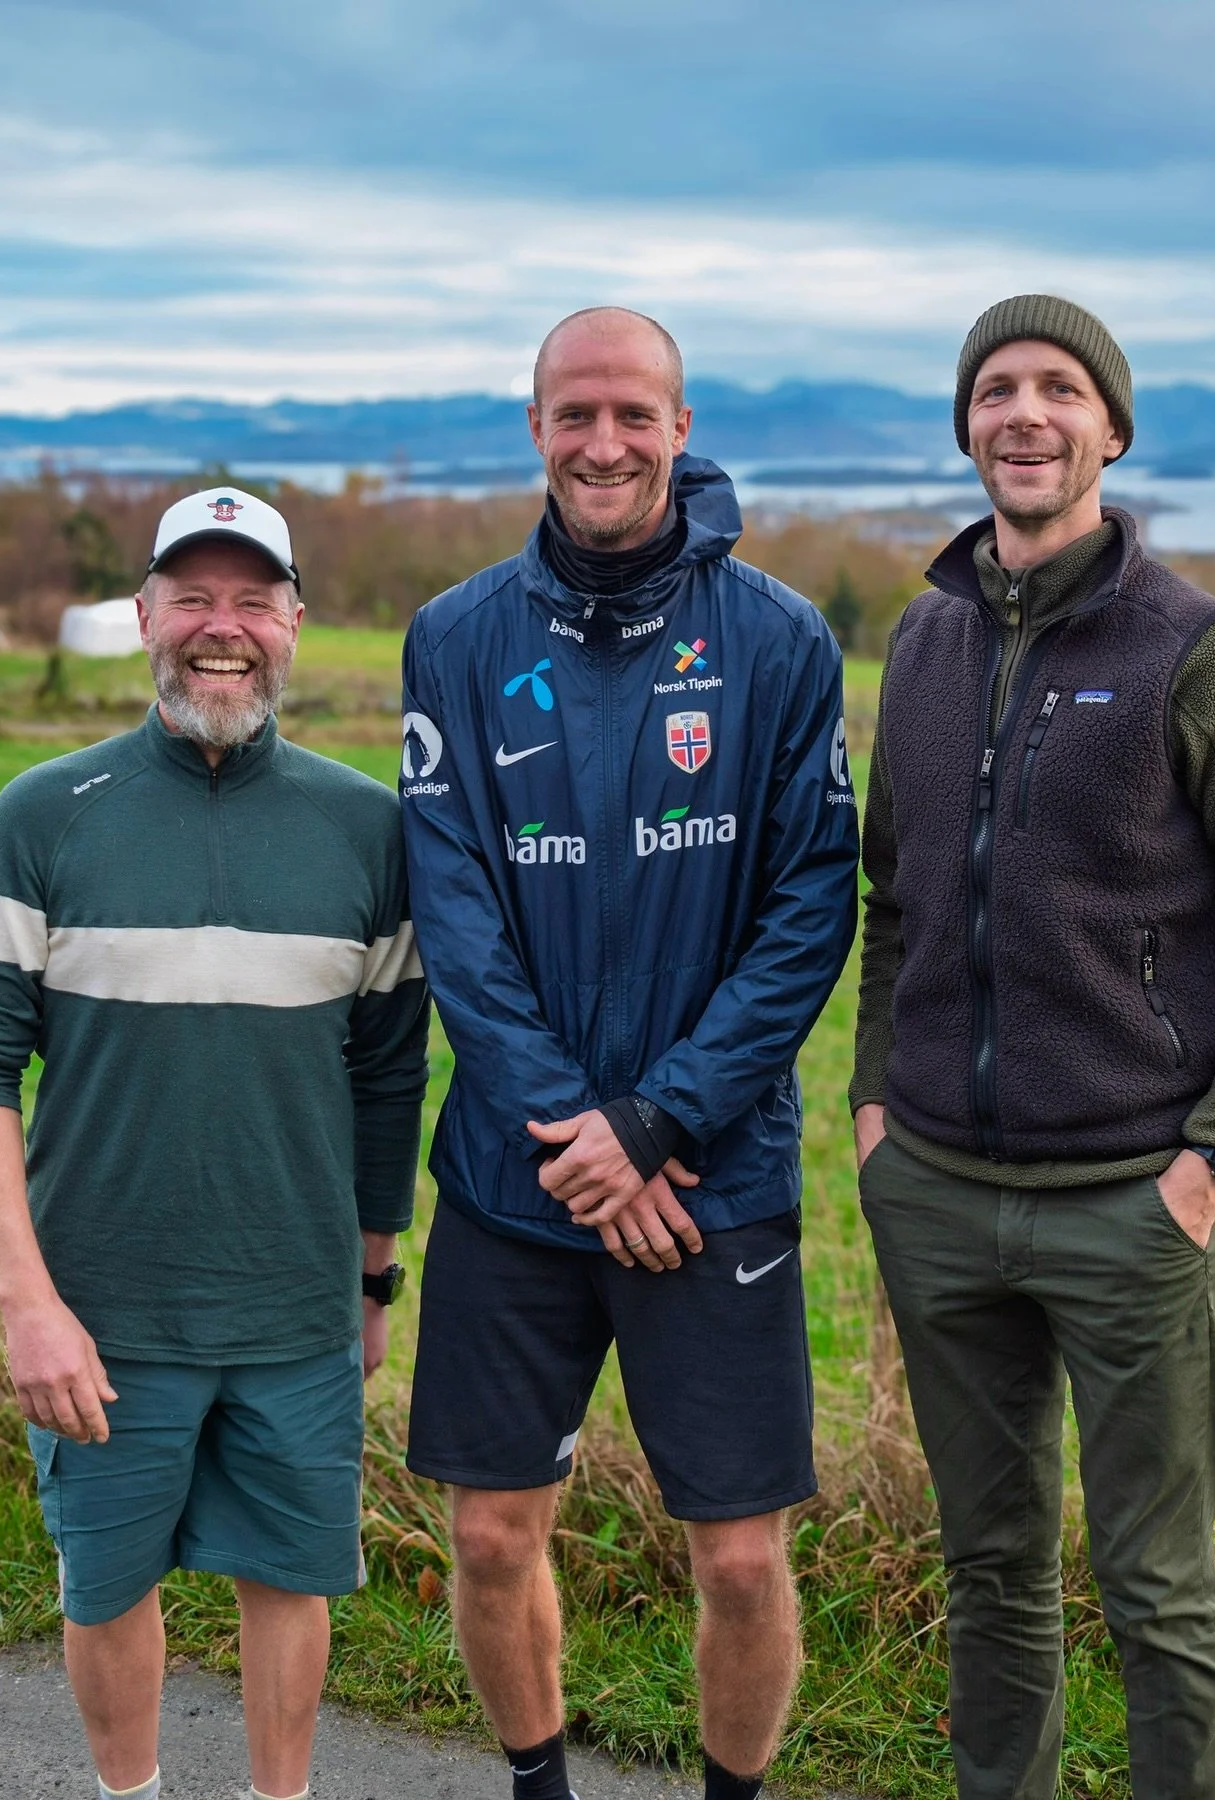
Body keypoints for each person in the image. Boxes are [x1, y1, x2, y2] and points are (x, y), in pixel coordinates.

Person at [851, 295, 1215, 1800]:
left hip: (1133, 1207)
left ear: (1112, 430)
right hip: (936, 1194)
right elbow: (896, 903)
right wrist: (879, 1111)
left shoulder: (1204, 653)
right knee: (991, 1573)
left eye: (1059, 388)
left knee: (1161, 1594)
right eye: (995, 388)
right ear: (965, 426)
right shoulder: (926, 641)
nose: (1024, 412)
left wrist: (1214, 1165)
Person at [399, 307, 859, 1800]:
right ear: (534, 429)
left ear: (680, 423)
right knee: (487, 1532)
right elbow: (454, 912)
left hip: (711, 1174)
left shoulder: (779, 639)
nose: (605, 443)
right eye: (575, 414)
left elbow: (810, 906)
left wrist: (656, 1124)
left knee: (735, 1557)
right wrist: (582, 1144)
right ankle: (539, 1788)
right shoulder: (454, 637)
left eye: (634, 415)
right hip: (514, 1177)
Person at [0, 487, 430, 1800]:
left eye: (252, 600)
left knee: (291, 1575)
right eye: (194, 598)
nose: (224, 629)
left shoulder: (369, 831)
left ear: (296, 625)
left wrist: (372, 1278)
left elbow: (390, 1080)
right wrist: (25, 1301)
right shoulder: (40, 818)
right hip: (100, 1309)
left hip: (294, 1300)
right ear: (147, 616)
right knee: (106, 1584)